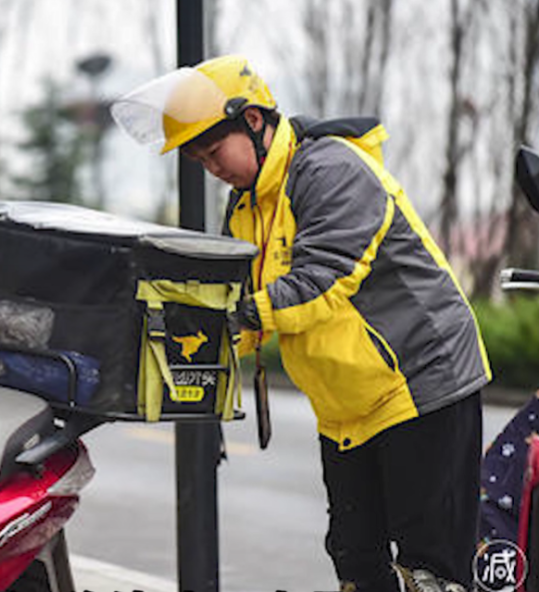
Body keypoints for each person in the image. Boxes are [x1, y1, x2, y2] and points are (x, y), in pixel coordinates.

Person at [111, 55, 492, 592]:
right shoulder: (245, 207)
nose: (212, 168)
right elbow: (245, 307)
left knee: (429, 571)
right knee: (355, 560)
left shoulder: (328, 169)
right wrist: (166, 348)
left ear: (255, 122)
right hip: (346, 407)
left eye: (214, 151)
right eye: (199, 160)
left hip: (420, 383)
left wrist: (231, 316)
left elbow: (321, 281)